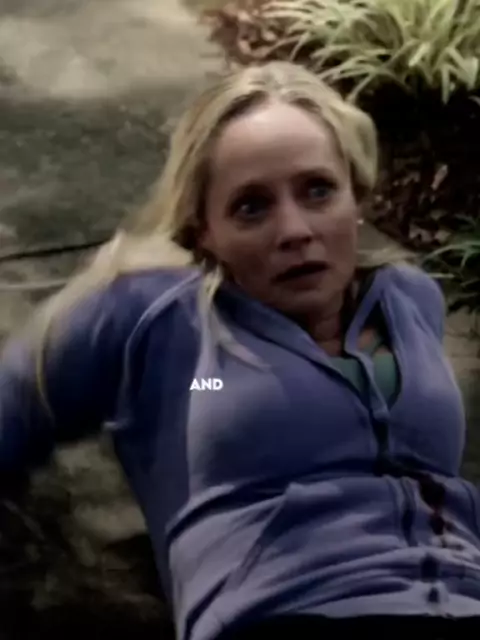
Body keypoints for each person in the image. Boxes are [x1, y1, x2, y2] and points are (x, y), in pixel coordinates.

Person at [0, 61, 479, 640]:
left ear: (355, 195)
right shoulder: (158, 317)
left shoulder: (409, 298)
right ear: (203, 228)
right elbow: (13, 406)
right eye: (252, 206)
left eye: (318, 190)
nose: (294, 229)